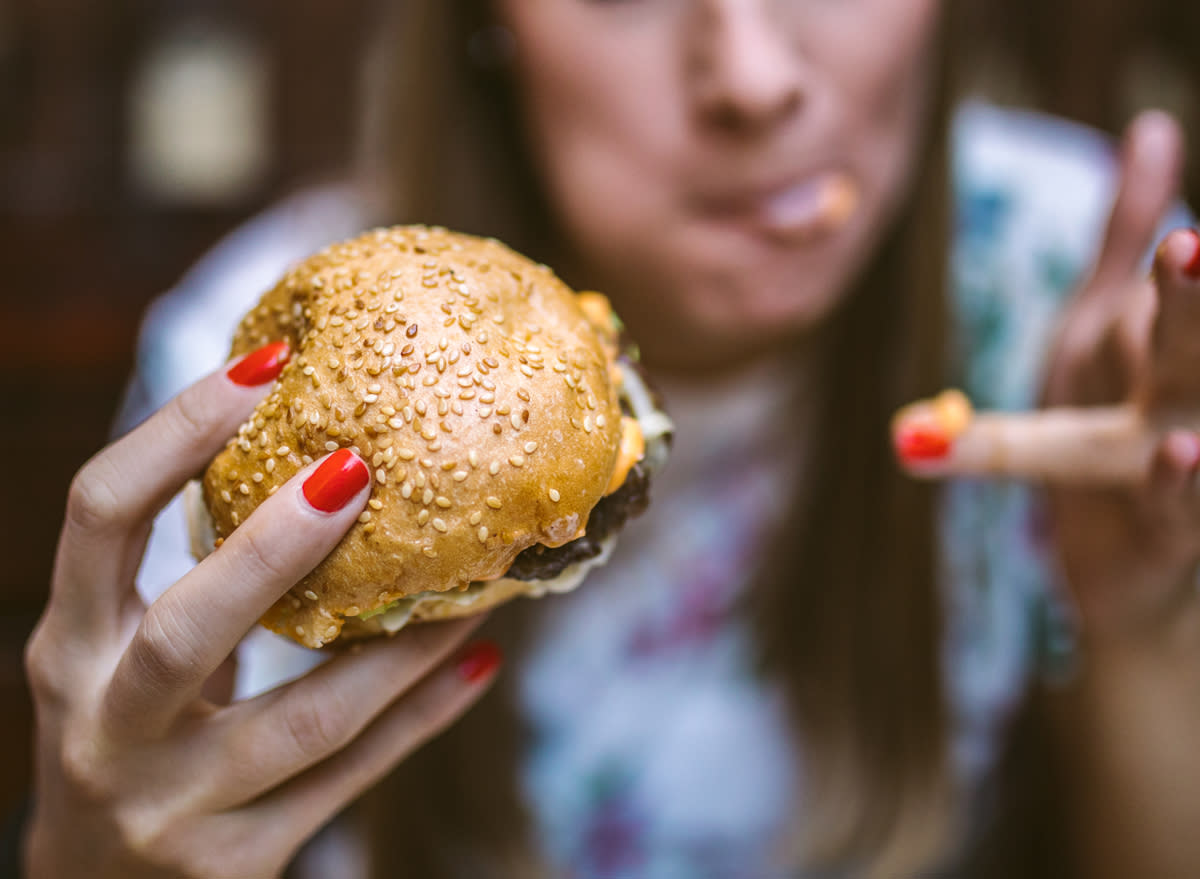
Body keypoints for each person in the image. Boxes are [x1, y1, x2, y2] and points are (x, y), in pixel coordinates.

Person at [22, 1, 1200, 877]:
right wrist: (90, 858)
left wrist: (1147, 626)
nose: (750, 76)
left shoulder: (1087, 293)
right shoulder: (257, 397)